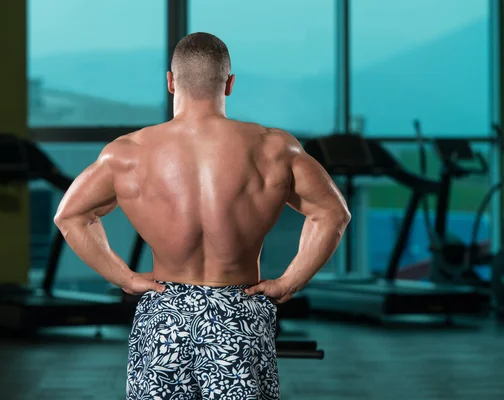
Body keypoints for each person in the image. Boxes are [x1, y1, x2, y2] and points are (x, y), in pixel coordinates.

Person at [54, 32, 350, 400]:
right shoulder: (274, 148)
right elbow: (333, 213)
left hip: (165, 314)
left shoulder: (126, 154)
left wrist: (127, 279)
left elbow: (70, 216)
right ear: (229, 84)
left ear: (170, 81)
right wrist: (290, 281)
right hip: (238, 313)